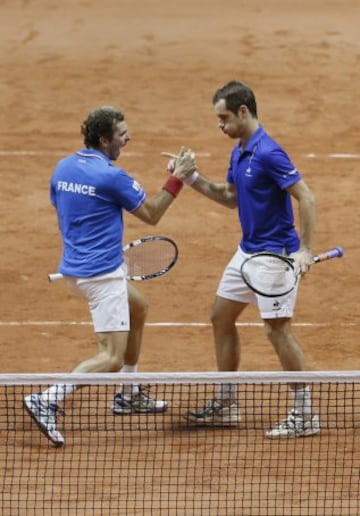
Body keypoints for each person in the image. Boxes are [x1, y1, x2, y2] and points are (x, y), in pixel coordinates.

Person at [24, 105, 196, 446]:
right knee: (111, 357)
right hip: (101, 276)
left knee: (139, 308)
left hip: (74, 268)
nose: (127, 137)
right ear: (104, 140)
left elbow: (65, 208)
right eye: (121, 134)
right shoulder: (112, 177)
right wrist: (178, 177)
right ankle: (47, 399)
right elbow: (152, 214)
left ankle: (129, 394)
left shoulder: (63, 167)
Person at [178, 81, 320, 438]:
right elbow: (230, 198)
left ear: (243, 111)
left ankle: (305, 414)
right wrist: (191, 178)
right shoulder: (240, 151)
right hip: (247, 252)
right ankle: (227, 403)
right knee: (220, 317)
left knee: (277, 331)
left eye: (223, 117)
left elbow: (306, 198)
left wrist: (304, 250)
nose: (220, 126)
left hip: (274, 259)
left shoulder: (269, 153)